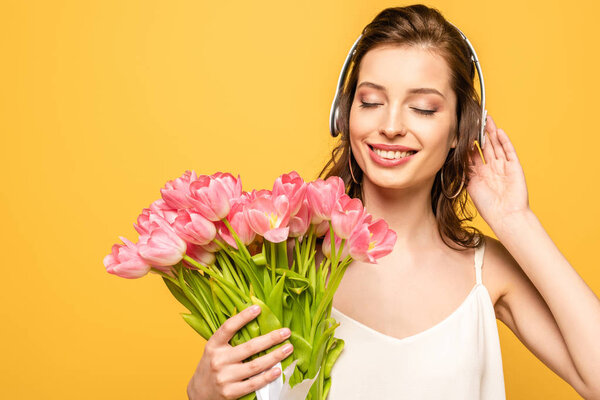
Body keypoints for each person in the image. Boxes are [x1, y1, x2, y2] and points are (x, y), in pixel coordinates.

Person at [186, 4, 600, 400]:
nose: (390, 126)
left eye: (422, 108)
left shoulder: (486, 271)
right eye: (370, 102)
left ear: (460, 130)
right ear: (344, 116)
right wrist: (203, 395)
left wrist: (516, 219)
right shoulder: (282, 258)